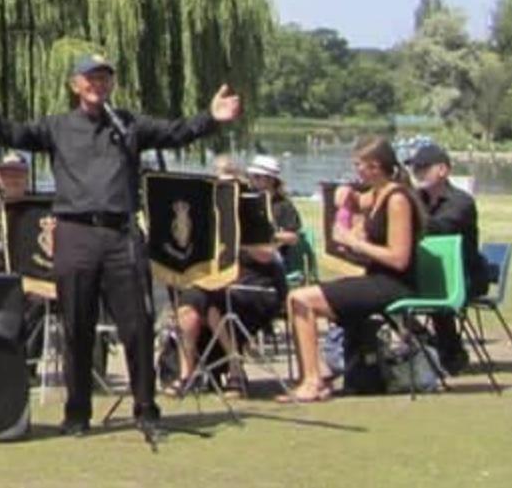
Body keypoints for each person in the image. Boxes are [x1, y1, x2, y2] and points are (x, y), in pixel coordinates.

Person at [0, 52, 241, 439]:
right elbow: (13, 134)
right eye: (90, 78)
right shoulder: (57, 126)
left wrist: (211, 117)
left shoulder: (127, 125)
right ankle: (77, 413)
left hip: (121, 234)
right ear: (75, 85)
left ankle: (146, 408)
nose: (98, 85)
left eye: (105, 78)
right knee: (77, 326)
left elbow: (176, 132)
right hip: (75, 234)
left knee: (137, 326)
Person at [281, 137, 423, 403]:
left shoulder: (397, 199)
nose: (355, 170)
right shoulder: (378, 194)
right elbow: (356, 200)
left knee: (302, 299)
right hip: (375, 278)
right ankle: (316, 375)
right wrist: (345, 197)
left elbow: (399, 258)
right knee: (295, 297)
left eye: (359, 165)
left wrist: (354, 242)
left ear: (375, 166)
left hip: (393, 283)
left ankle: (314, 382)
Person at [174, 153, 299, 394]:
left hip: (258, 283)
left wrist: (237, 237)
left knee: (214, 300)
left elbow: (267, 253)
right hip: (219, 280)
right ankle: (186, 373)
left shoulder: (258, 209)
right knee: (189, 301)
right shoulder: (212, 213)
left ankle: (235, 368)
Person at [409, 143, 490, 374]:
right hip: (430, 272)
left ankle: (450, 353)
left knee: (437, 289)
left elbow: (437, 228)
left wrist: (405, 211)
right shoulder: (417, 198)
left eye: (423, 168)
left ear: (443, 170)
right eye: (415, 169)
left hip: (465, 276)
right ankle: (427, 340)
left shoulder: (461, 202)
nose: (417, 174)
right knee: (385, 286)